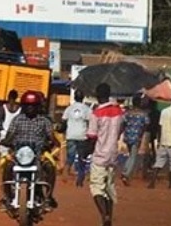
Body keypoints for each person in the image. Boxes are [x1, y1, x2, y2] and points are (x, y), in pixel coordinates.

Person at [0, 90, 58, 212]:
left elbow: (51, 137)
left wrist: (53, 142)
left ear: (38, 107)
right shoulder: (17, 120)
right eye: (27, 105)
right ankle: (7, 197)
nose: (30, 108)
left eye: (33, 105)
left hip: (39, 154)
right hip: (19, 154)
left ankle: (48, 197)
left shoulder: (44, 121)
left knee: (50, 167)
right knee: (7, 166)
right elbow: (9, 136)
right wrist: (5, 141)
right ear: (23, 106)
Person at [87, 83, 124, 226]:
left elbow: (92, 136)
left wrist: (86, 152)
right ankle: (109, 216)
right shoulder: (119, 111)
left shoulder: (96, 113)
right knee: (109, 188)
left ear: (97, 95)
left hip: (100, 155)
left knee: (96, 187)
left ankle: (104, 216)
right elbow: (122, 127)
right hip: (113, 155)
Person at [121, 93, 150, 185]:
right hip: (136, 136)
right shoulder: (143, 114)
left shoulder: (128, 113)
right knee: (133, 156)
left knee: (130, 154)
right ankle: (126, 173)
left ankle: (126, 170)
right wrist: (141, 133)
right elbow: (146, 124)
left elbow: (123, 123)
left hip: (128, 135)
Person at [62, 90, 91, 175]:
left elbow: (63, 120)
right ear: (83, 98)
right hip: (82, 135)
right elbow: (90, 121)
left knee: (70, 155)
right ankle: (80, 172)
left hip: (71, 134)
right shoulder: (86, 109)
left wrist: (62, 130)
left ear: (74, 97)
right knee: (81, 155)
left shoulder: (69, 108)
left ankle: (66, 172)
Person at [0, 90, 21, 161]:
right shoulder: (19, 108)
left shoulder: (3, 107)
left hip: (5, 134)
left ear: (8, 96)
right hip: (15, 135)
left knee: (4, 156)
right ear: (16, 97)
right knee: (14, 156)